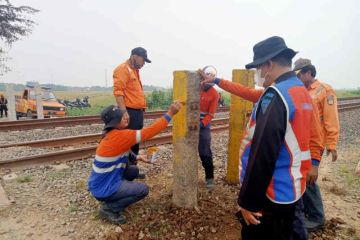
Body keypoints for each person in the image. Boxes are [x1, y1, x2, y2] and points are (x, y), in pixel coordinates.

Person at [201, 36, 314, 239]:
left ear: (268, 65)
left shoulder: (276, 96)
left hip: (270, 191)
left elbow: (262, 154)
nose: (256, 74)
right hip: (292, 185)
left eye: (257, 68)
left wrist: (247, 201)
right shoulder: (300, 91)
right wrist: (217, 80)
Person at [87, 101, 182, 224]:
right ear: (115, 122)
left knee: (134, 170)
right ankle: (109, 208)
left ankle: (118, 195)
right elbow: (150, 132)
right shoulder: (120, 136)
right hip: (103, 188)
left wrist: (138, 157)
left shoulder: (112, 135)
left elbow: (120, 154)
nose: (126, 117)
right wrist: (170, 113)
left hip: (101, 183)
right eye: (122, 116)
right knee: (143, 190)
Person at [294, 58, 340, 232]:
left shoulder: (324, 90)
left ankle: (317, 217)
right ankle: (307, 211)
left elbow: (331, 119)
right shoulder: (300, 90)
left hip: (315, 143)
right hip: (301, 143)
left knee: (309, 178)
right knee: (302, 178)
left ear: (308, 73)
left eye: (299, 74)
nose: (297, 77)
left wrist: (332, 144)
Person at [113, 47, 151, 178]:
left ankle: (132, 170)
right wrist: (124, 112)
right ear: (134, 56)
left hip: (137, 112)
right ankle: (125, 172)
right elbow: (118, 92)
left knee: (135, 142)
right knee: (127, 143)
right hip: (129, 112)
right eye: (143, 60)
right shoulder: (122, 69)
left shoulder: (134, 70)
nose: (143, 63)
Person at [199, 78, 220, 191]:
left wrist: (201, 124)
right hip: (190, 123)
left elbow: (210, 114)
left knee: (205, 152)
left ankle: (209, 178)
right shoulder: (195, 88)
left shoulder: (214, 94)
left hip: (203, 125)